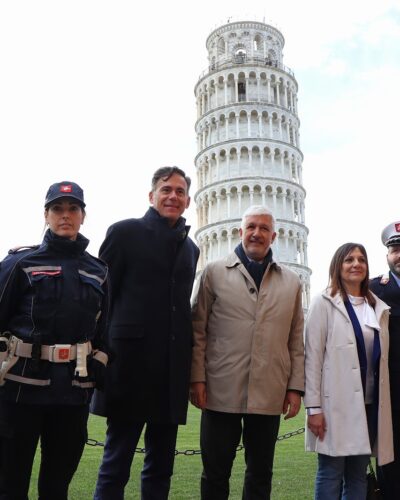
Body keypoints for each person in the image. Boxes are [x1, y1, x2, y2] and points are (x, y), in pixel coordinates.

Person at [92, 166, 199, 500]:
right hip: (129, 366)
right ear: (152, 196)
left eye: (180, 191)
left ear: (188, 201)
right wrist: (100, 353)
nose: (173, 196)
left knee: (161, 467)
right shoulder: (124, 233)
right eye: (166, 189)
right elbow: (102, 298)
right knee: (116, 463)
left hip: (170, 372)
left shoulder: (191, 248)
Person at [0, 181, 109, 500]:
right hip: (19, 390)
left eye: (73, 209)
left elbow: (105, 330)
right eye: (57, 208)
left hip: (72, 394)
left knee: (56, 487)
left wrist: (101, 360)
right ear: (46, 215)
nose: (65, 215)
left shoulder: (98, 271)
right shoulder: (19, 263)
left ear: (83, 216)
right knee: (10, 486)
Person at [190, 205, 305, 500]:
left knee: (260, 473)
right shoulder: (214, 273)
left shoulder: (291, 282)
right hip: (220, 390)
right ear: (240, 232)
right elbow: (198, 331)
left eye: (264, 228)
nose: (257, 233)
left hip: (269, 390)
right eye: (251, 227)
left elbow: (295, 340)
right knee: (215, 473)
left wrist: (295, 388)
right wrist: (197, 379)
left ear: (273, 236)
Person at [304, 242, 393, 500]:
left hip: (369, 405)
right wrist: (313, 408)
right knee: (330, 472)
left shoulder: (377, 307)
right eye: (349, 259)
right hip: (335, 405)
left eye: (361, 260)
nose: (356, 264)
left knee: (357, 475)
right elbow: (312, 358)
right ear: (338, 266)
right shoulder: (323, 303)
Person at [370, 221, 400, 499]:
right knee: (390, 460)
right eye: (395, 249)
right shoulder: (372, 291)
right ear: (388, 255)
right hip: (389, 393)